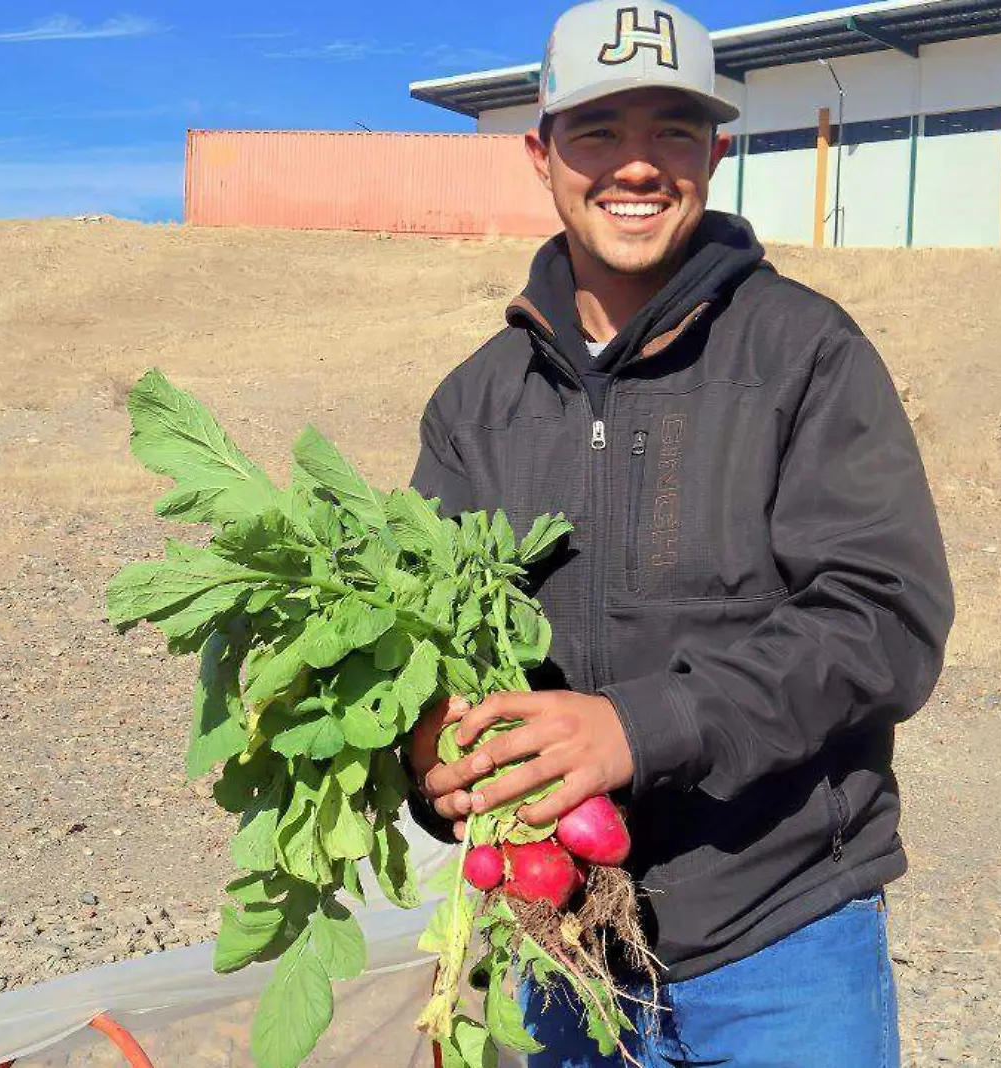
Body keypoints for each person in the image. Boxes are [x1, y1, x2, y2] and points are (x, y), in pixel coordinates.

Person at [404, 2, 954, 1064]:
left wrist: (638, 728)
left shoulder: (806, 355)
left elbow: (883, 622)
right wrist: (429, 753)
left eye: (671, 130)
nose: (637, 166)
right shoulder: (474, 405)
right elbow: (419, 640)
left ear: (716, 149)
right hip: (559, 942)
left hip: (782, 931)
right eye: (599, 132)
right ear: (541, 152)